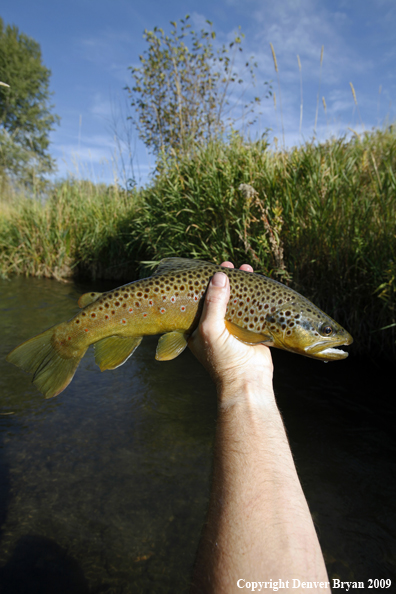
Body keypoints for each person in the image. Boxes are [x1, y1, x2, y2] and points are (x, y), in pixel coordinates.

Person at [188, 262, 331, 594]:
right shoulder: (272, 323)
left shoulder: (274, 318)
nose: (331, 337)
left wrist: (243, 377)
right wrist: (244, 382)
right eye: (322, 330)